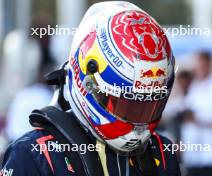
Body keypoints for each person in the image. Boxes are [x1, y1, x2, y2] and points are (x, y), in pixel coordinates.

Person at [0, 2, 181, 176]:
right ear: (87, 84)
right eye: (126, 106)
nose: (137, 121)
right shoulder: (34, 155)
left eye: (148, 107)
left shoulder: (161, 152)